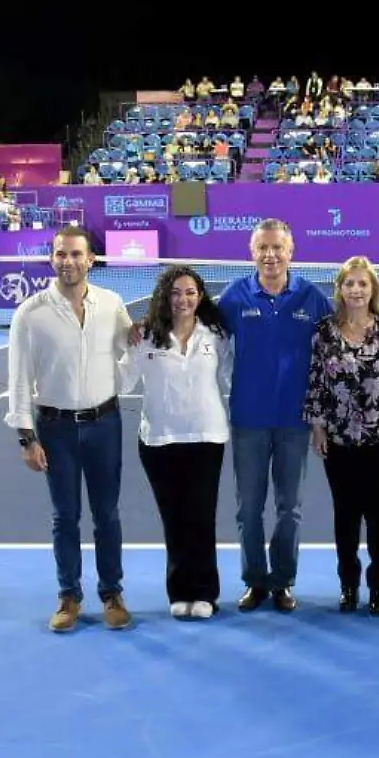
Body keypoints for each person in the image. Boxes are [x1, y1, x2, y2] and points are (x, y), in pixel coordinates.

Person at [4, 227, 135, 633]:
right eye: (61, 254)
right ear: (52, 258)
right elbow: (20, 379)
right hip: (55, 428)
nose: (69, 261)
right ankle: (69, 596)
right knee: (65, 517)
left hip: (105, 425)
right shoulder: (30, 312)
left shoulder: (112, 304)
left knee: (107, 515)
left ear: (90, 260)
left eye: (76, 254)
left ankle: (111, 593)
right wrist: (27, 437)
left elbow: (131, 349)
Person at [218, 219, 333, 613]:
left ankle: (282, 581)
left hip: (294, 422)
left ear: (291, 251)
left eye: (277, 248)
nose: (270, 255)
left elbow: (344, 336)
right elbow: (198, 335)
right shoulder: (234, 297)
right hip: (248, 419)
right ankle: (254, 581)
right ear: (252, 252)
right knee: (248, 508)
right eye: (263, 248)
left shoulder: (311, 297)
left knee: (290, 508)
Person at [304, 258, 379, 616]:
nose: (356, 290)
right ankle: (348, 586)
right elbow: (317, 382)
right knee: (346, 516)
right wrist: (318, 426)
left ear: (372, 290)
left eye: (362, 284)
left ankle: (378, 588)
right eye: (349, 284)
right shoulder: (324, 331)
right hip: (339, 440)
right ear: (340, 289)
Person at [123, 265, 234, 621]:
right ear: (164, 297)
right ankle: (179, 590)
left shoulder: (215, 334)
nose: (183, 299)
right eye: (175, 292)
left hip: (206, 437)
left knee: (202, 518)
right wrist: (117, 342)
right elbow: (123, 381)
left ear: (200, 296)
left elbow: (231, 373)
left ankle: (205, 593)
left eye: (190, 292)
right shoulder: (147, 338)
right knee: (174, 519)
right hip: (159, 441)